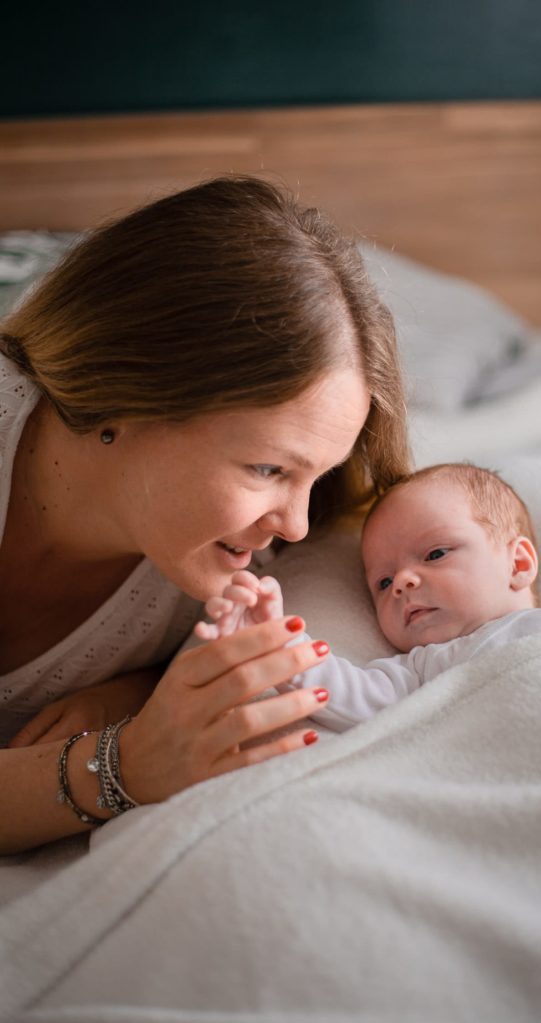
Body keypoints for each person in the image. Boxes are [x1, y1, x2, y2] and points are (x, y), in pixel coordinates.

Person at [0, 175, 410, 854]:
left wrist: (138, 687)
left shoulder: (227, 571)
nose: (297, 525)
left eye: (319, 476)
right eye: (268, 469)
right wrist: (121, 766)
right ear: (128, 392)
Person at [199, 433, 541, 732]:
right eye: (383, 582)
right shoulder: (423, 671)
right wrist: (275, 636)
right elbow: (343, 693)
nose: (403, 583)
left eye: (435, 554)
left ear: (519, 564)